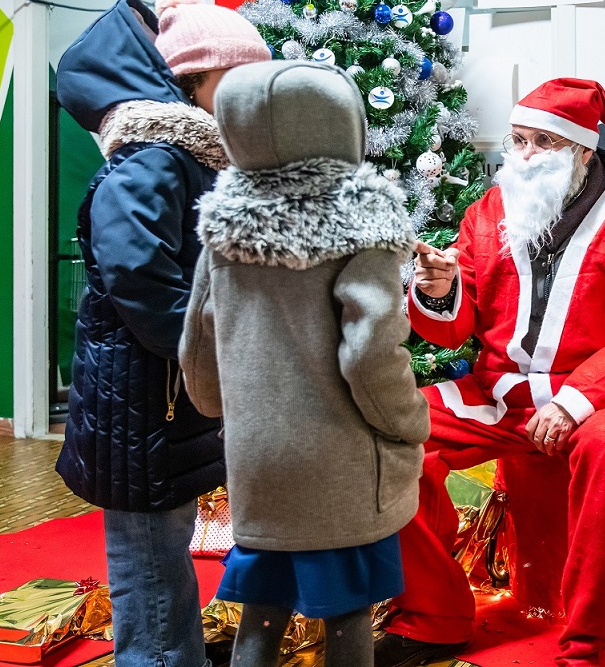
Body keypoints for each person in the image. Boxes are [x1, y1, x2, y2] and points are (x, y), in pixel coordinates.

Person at [375, 78, 605, 667]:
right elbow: (456, 327)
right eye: (517, 140)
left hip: (599, 399)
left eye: (542, 143)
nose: (523, 156)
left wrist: (578, 398)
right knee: (393, 434)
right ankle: (433, 615)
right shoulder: (489, 213)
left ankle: (589, 646)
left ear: (582, 151)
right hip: (501, 394)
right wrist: (440, 292)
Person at [179, 61, 429, 667]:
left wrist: (224, 411)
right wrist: (409, 420)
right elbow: (370, 351)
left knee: (262, 611)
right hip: (339, 459)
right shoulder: (363, 225)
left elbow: (197, 342)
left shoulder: (223, 226)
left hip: (258, 455)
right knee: (347, 618)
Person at [54, 0, 270, 666]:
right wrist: (202, 347)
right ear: (193, 79)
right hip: (142, 394)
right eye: (236, 80)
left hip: (161, 390)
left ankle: (173, 652)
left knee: (164, 538)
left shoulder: (190, 157)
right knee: (148, 553)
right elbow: (137, 275)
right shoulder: (153, 159)